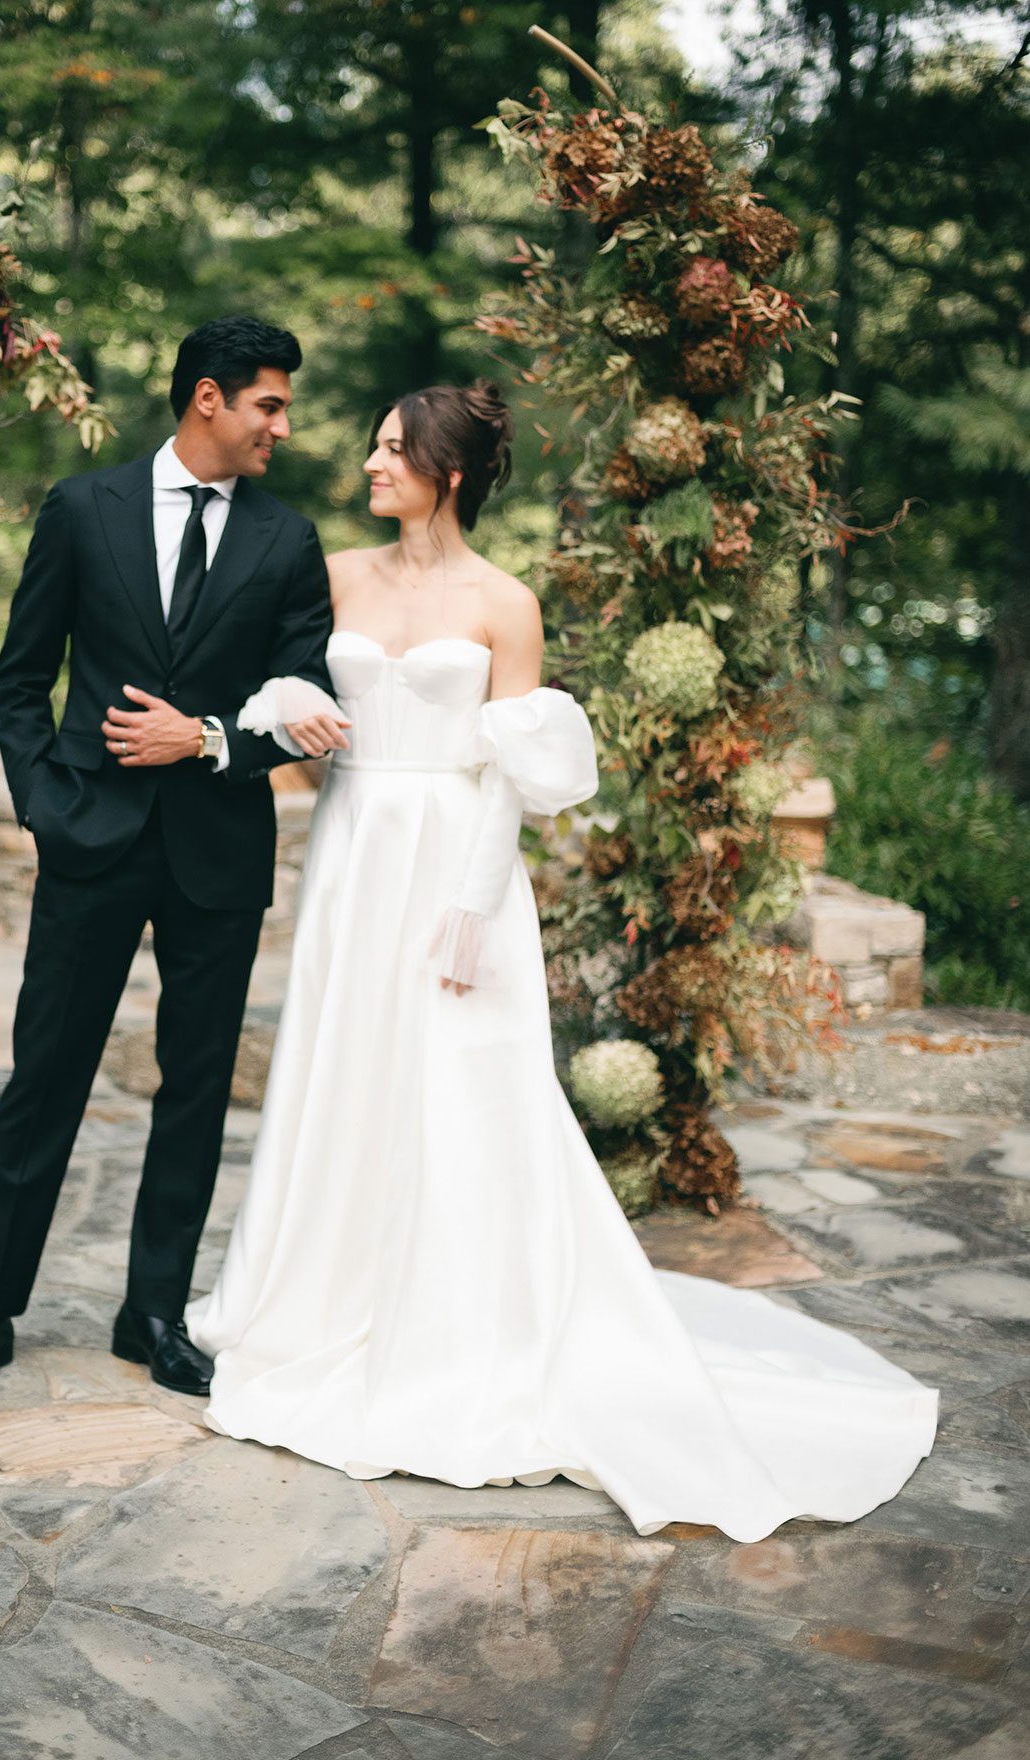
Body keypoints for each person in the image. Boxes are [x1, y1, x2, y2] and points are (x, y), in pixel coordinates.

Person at [184, 378, 940, 1543]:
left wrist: (473, 903)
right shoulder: (332, 574)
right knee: (348, 1068)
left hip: (455, 862)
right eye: (376, 446)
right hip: (354, 851)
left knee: (459, 1085)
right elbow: (277, 682)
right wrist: (291, 700)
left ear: (448, 472)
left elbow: (513, 769)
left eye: (393, 450)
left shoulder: (505, 601)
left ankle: (463, 1327)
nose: (371, 464)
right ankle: (320, 1301)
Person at [0, 315, 336, 1409]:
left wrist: (209, 739)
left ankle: (152, 1314)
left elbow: (307, 702)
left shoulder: (288, 541)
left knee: (194, 1090)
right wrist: (48, 806)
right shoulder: (81, 508)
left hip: (218, 852)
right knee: (44, 1077)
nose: (282, 426)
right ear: (208, 398)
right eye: (269, 405)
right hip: (90, 840)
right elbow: (19, 680)